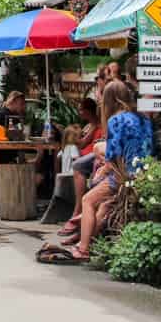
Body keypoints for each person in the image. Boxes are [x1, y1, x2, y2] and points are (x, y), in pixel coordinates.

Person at [67, 80, 152, 261]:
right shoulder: (144, 118)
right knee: (104, 205)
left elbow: (113, 155)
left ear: (108, 100)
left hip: (126, 176)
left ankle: (83, 249)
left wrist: (102, 171)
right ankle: (87, 242)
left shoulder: (116, 120)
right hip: (145, 174)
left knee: (88, 200)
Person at [56, 97, 106, 237]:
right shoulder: (91, 125)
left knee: (78, 165)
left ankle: (78, 212)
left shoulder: (99, 125)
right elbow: (83, 143)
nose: (79, 112)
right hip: (86, 156)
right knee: (77, 164)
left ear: (87, 111)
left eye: (81, 109)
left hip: (93, 157)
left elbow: (86, 144)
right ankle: (79, 215)